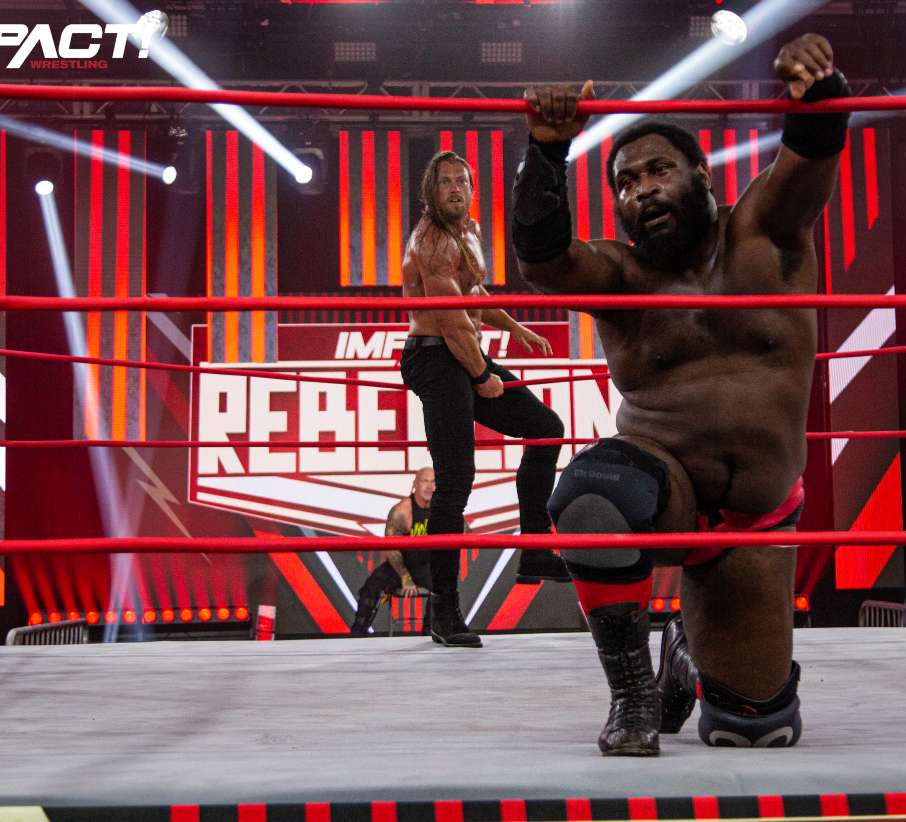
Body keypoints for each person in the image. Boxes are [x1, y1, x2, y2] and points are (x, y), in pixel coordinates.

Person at [513, 34, 849, 753]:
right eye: (625, 183)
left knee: (754, 727)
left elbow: (813, 152)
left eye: (657, 170)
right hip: (661, 490)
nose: (641, 190)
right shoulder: (620, 277)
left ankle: (687, 656)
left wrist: (817, 89)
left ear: (702, 174)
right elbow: (541, 261)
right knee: (591, 497)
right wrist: (546, 151)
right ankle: (632, 694)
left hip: (758, 516)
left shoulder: (765, 233)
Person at [401, 150, 571, 649]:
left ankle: (535, 548)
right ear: (431, 192)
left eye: (462, 181)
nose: (455, 188)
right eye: (445, 182)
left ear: (472, 190)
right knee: (455, 480)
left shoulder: (469, 232)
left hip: (462, 352)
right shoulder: (431, 241)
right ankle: (444, 610)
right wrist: (481, 375)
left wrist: (514, 326)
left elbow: (472, 295)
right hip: (435, 356)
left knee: (546, 428)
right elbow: (451, 319)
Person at [349, 467, 437, 636]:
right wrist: (405, 577)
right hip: (401, 564)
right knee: (372, 585)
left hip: (427, 564)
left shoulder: (442, 510)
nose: (429, 487)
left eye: (433, 482)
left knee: (443, 586)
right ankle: (358, 633)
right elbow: (391, 547)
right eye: (424, 481)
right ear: (415, 485)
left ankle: (431, 633)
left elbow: (462, 533)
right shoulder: (402, 512)